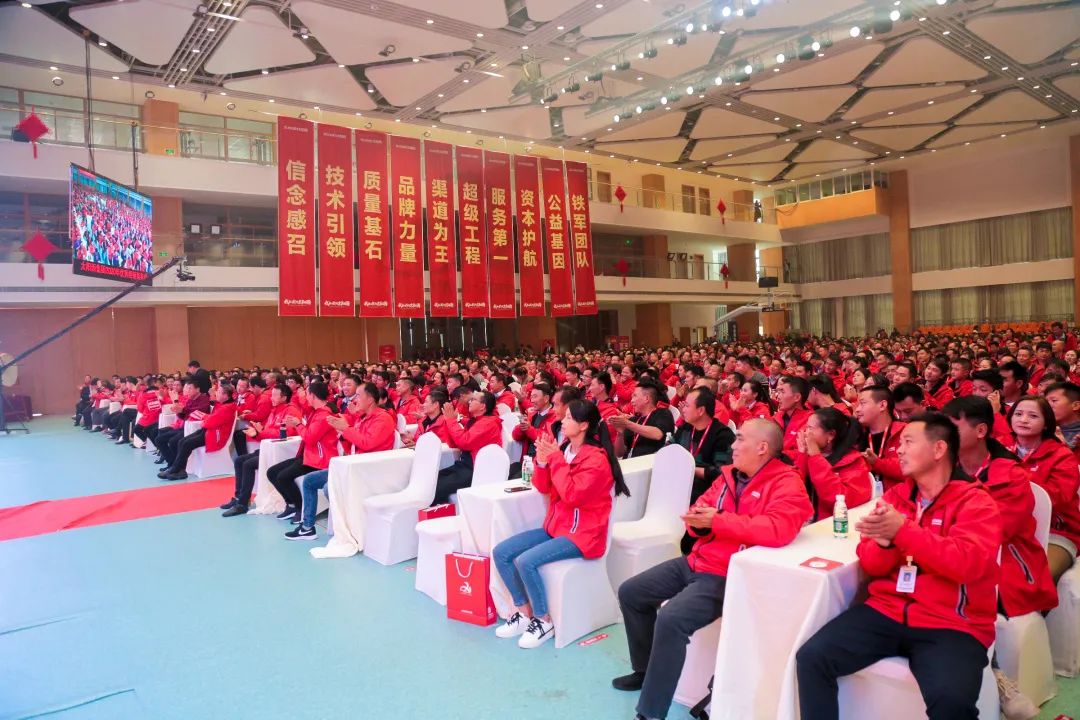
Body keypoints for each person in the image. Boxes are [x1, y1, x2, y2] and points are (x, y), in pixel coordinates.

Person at [796, 414, 1003, 720]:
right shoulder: (897, 497)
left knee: (951, 702)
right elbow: (871, 564)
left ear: (938, 449)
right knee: (812, 658)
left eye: (908, 442)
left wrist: (902, 531)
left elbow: (967, 565)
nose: (899, 451)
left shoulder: (976, 503)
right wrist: (885, 543)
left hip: (952, 624)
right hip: (887, 610)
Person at [613, 419, 812, 720]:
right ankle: (644, 669)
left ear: (762, 447)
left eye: (740, 439)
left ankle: (651, 712)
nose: (732, 446)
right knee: (632, 592)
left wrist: (716, 521)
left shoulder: (787, 483)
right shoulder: (729, 476)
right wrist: (697, 525)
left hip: (726, 573)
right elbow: (703, 507)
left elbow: (778, 529)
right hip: (697, 559)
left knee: (671, 618)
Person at [492, 400, 628, 648]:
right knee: (501, 552)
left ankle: (543, 620)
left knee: (525, 561)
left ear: (584, 425)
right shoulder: (565, 450)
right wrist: (543, 463)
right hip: (557, 527)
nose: (562, 421)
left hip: (584, 535)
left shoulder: (596, 460)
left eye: (567, 418)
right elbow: (543, 487)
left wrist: (554, 459)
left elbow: (573, 495)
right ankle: (524, 613)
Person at [285, 382, 396, 540]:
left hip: (370, 470)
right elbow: (353, 444)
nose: (355, 399)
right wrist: (342, 433)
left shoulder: (383, 418)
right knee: (309, 481)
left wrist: (346, 429)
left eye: (358, 395)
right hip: (355, 466)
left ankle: (349, 525)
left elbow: (367, 443)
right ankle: (307, 527)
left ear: (370, 399)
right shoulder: (363, 418)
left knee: (327, 488)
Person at [1011, 396, 1080, 583]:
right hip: (1013, 530)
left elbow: (1059, 498)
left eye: (1033, 416)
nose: (1023, 420)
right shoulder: (1004, 451)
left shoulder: (1062, 456)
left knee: (1036, 579)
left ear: (1046, 424)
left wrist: (1018, 475)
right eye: (1018, 414)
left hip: (1056, 532)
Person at [672, 386, 735, 554]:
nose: (682, 409)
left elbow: (722, 473)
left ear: (700, 410)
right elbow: (670, 453)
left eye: (687, 405)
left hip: (704, 494)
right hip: (677, 487)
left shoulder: (723, 435)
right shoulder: (685, 429)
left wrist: (691, 469)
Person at [222, 384, 300, 517]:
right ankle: (240, 498)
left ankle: (242, 504)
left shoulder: (291, 411)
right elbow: (268, 430)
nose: (272, 398)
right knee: (240, 460)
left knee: (247, 464)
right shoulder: (275, 410)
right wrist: (258, 432)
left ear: (284, 397)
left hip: (282, 452)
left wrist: (261, 432)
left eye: (275, 395)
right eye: (272, 394)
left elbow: (286, 433)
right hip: (269, 448)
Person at [266, 382, 339, 524]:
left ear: (312, 395)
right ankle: (292, 504)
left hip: (319, 459)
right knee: (272, 472)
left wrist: (298, 424)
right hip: (309, 455)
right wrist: (299, 424)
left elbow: (310, 438)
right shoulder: (317, 412)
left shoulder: (323, 414)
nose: (305, 397)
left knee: (283, 477)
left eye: (306, 394)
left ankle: (299, 507)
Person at [795, 407, 871, 521]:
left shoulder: (853, 462)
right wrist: (802, 455)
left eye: (810, 428)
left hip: (832, 526)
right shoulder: (810, 454)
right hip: (804, 524)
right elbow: (794, 488)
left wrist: (816, 457)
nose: (805, 433)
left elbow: (841, 501)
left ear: (830, 435)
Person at [433, 390, 503, 504]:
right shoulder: (475, 420)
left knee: (438, 488)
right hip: (464, 465)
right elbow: (454, 444)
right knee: (433, 480)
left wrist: (451, 421)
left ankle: (438, 516)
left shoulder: (488, 423)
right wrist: (449, 420)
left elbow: (464, 442)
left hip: (476, 470)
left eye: (474, 399)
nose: (469, 402)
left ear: (483, 406)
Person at [157, 383, 238, 481]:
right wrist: (206, 419)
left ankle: (176, 469)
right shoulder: (221, 404)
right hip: (210, 431)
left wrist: (205, 419)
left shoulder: (227, 408)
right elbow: (209, 419)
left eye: (219, 392)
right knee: (182, 441)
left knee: (186, 443)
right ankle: (179, 470)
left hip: (216, 436)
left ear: (225, 396)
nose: (216, 393)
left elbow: (209, 423)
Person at [855, 385, 907, 491]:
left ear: (882, 405)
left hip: (897, 502)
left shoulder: (905, 433)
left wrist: (877, 463)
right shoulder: (855, 436)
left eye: (863, 403)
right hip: (864, 502)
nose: (857, 409)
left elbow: (911, 469)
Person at [611, 378, 676, 459]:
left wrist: (627, 423)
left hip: (649, 467)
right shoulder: (634, 420)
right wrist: (620, 434)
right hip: (629, 465)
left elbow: (657, 434)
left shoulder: (663, 413)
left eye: (634, 396)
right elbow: (619, 453)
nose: (632, 401)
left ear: (646, 398)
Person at [153, 378, 211, 467]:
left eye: (190, 388)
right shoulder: (190, 399)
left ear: (197, 389)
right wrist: (179, 411)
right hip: (185, 426)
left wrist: (181, 408)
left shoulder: (204, 399)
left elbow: (197, 412)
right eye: (187, 388)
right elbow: (184, 416)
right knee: (159, 439)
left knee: (173, 441)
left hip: (195, 429)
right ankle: (171, 462)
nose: (187, 391)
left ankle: (176, 466)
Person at [773, 375, 812, 457]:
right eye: (778, 392)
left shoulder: (810, 421)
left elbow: (802, 453)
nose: (778, 397)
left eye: (782, 392)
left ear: (797, 397)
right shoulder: (777, 417)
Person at [1044, 381, 1080, 454]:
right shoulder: (1043, 429)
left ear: (1076, 405)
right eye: (1046, 402)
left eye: (1054, 401)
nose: (1047, 406)